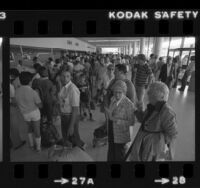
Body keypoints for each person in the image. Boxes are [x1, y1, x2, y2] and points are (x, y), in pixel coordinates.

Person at [129, 81, 178, 161]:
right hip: (143, 142)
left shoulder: (167, 112)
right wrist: (138, 110)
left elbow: (172, 134)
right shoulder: (152, 106)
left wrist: (158, 140)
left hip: (155, 147)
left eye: (152, 96)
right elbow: (144, 121)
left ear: (161, 97)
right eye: (150, 95)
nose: (148, 98)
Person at [105, 80, 136, 161]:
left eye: (120, 92)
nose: (117, 94)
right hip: (112, 131)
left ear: (124, 92)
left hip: (121, 136)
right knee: (111, 153)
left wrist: (116, 120)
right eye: (115, 92)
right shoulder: (113, 99)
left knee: (119, 156)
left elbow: (132, 122)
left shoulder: (129, 104)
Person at [58, 68, 86, 150]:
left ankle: (80, 153)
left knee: (74, 138)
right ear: (60, 77)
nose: (65, 78)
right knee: (67, 137)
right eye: (63, 76)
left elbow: (75, 109)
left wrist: (71, 126)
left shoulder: (73, 89)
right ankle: (74, 151)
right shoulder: (63, 87)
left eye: (67, 76)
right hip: (64, 116)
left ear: (71, 77)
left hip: (70, 117)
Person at [15, 72, 42, 152]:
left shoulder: (17, 91)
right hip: (34, 113)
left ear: (20, 81)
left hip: (25, 114)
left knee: (29, 128)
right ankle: (38, 148)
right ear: (30, 81)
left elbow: (17, 102)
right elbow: (40, 105)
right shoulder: (33, 92)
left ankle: (31, 144)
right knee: (37, 130)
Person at [10, 69, 26, 150]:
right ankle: (17, 143)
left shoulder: (13, 83)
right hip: (17, 104)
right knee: (14, 126)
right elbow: (14, 100)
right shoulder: (12, 84)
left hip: (18, 101)